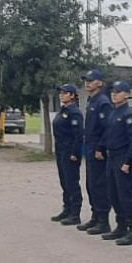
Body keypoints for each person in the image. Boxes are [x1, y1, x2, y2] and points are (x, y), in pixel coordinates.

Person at [97, 81, 132, 245]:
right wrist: (100, 148)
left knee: (126, 196)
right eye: (113, 92)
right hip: (111, 157)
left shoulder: (129, 115)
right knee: (113, 194)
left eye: (118, 92)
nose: (114, 94)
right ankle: (121, 226)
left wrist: (128, 161)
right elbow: (107, 134)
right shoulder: (113, 113)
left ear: (126, 94)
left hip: (123, 158)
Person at [79, 69, 114, 236]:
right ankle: (95, 215)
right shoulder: (91, 100)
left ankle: (103, 220)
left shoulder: (103, 102)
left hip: (98, 148)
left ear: (99, 82)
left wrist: (101, 147)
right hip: (90, 145)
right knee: (91, 184)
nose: (87, 83)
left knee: (99, 184)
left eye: (91, 80)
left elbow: (108, 128)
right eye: (86, 80)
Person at [50, 84, 84, 226]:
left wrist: (75, 153)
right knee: (64, 181)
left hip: (69, 150)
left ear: (72, 95)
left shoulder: (74, 112)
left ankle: (75, 213)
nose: (61, 95)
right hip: (60, 149)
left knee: (71, 182)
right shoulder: (64, 110)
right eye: (61, 93)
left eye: (65, 93)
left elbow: (78, 135)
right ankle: (67, 209)